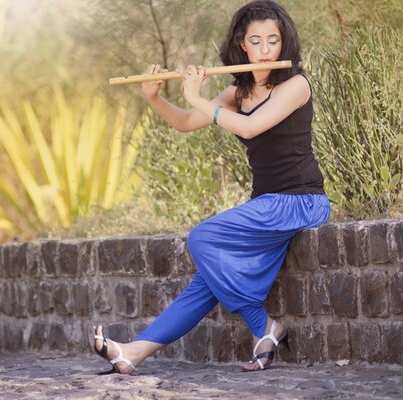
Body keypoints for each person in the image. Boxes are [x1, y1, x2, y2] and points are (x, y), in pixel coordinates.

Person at [92, 0, 330, 373]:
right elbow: (187, 121)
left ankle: (263, 326)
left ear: (285, 44)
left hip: (300, 201)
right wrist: (155, 98)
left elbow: (250, 128)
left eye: (274, 40)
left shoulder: (295, 85)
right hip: (266, 204)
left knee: (202, 237)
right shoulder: (239, 92)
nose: (266, 50)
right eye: (257, 41)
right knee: (205, 284)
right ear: (242, 45)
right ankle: (134, 353)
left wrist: (199, 97)